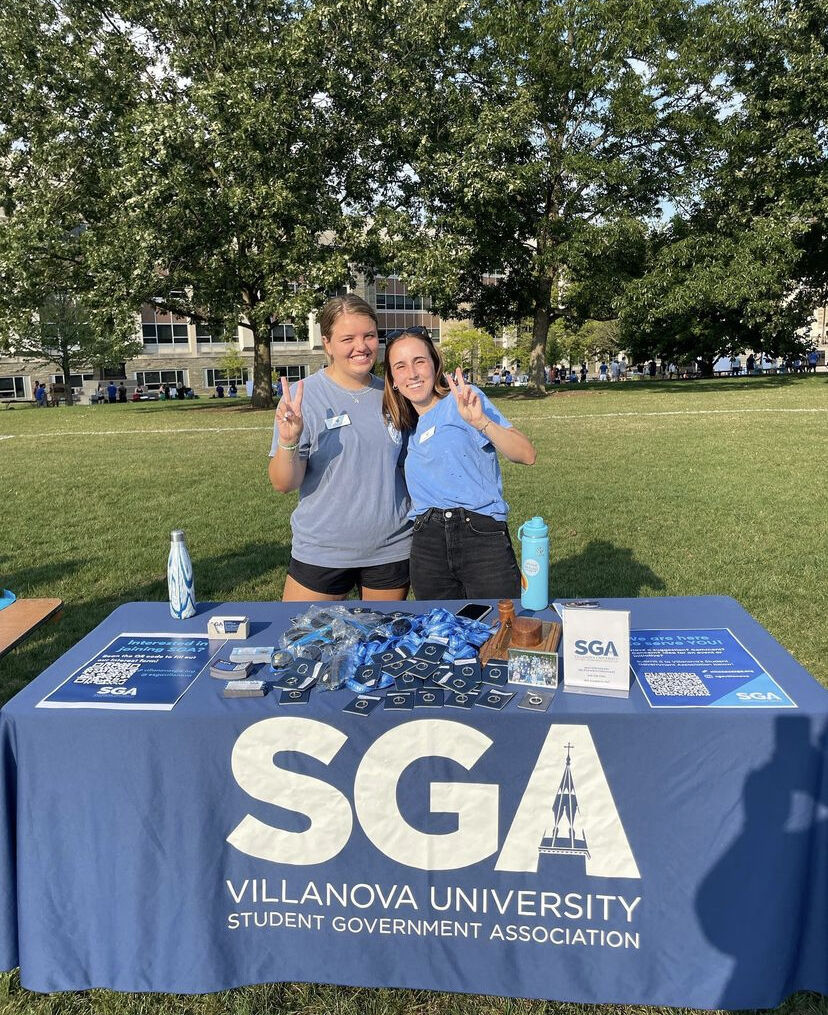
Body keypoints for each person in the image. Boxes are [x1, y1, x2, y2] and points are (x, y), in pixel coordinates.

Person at [269, 294, 412, 602]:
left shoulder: (394, 392)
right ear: (327, 343)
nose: (361, 347)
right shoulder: (302, 397)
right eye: (348, 338)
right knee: (304, 644)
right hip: (323, 550)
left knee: (379, 647)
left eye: (369, 336)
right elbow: (283, 483)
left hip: (389, 548)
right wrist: (289, 440)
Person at [382, 327, 535, 599]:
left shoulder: (463, 400)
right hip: (427, 544)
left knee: (499, 629)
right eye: (401, 366)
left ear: (434, 364)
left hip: (480, 532)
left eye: (419, 361)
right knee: (441, 633)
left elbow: (526, 454)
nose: (413, 374)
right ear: (393, 379)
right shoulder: (405, 429)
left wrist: (481, 422)